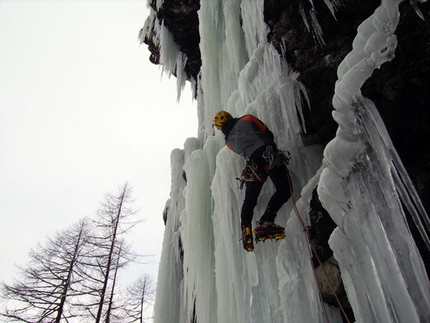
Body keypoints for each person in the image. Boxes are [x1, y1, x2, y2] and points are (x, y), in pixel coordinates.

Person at [213, 110, 291, 251]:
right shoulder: (248, 118)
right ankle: (266, 219)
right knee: (284, 189)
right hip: (268, 155)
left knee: (249, 200)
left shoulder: (229, 142)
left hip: (253, 167)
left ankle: (246, 230)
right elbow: (268, 133)